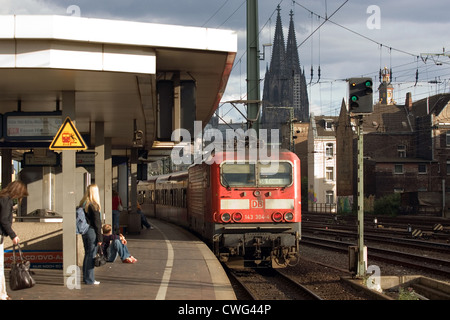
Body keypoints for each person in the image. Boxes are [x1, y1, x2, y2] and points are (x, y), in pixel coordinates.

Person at [0, 181, 29, 300]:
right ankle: (2, 294)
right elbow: (4, 220)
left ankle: (2, 292)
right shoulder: (7, 200)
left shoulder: (2, 197)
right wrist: (13, 235)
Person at [79, 184, 103, 285]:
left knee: (87, 254)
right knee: (91, 255)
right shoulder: (94, 205)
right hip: (92, 232)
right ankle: (90, 279)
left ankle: (86, 277)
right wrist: (100, 237)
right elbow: (97, 223)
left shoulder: (83, 204)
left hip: (84, 231)